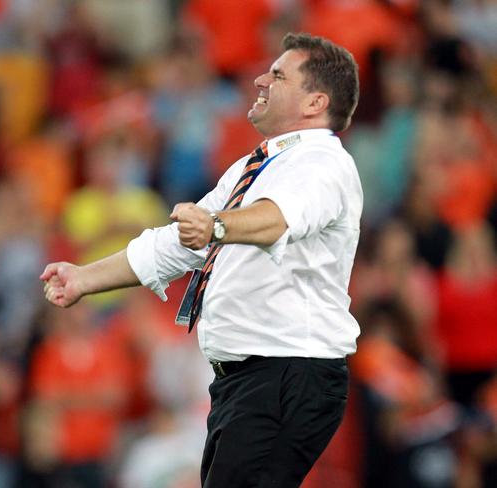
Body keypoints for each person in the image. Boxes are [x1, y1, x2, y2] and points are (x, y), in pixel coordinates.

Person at [41, 32, 362, 488]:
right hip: (253, 380)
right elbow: (176, 244)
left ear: (314, 102)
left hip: (287, 371)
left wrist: (215, 227)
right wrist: (84, 279)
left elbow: (277, 220)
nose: (259, 80)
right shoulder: (254, 167)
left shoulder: (323, 163)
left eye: (278, 75)